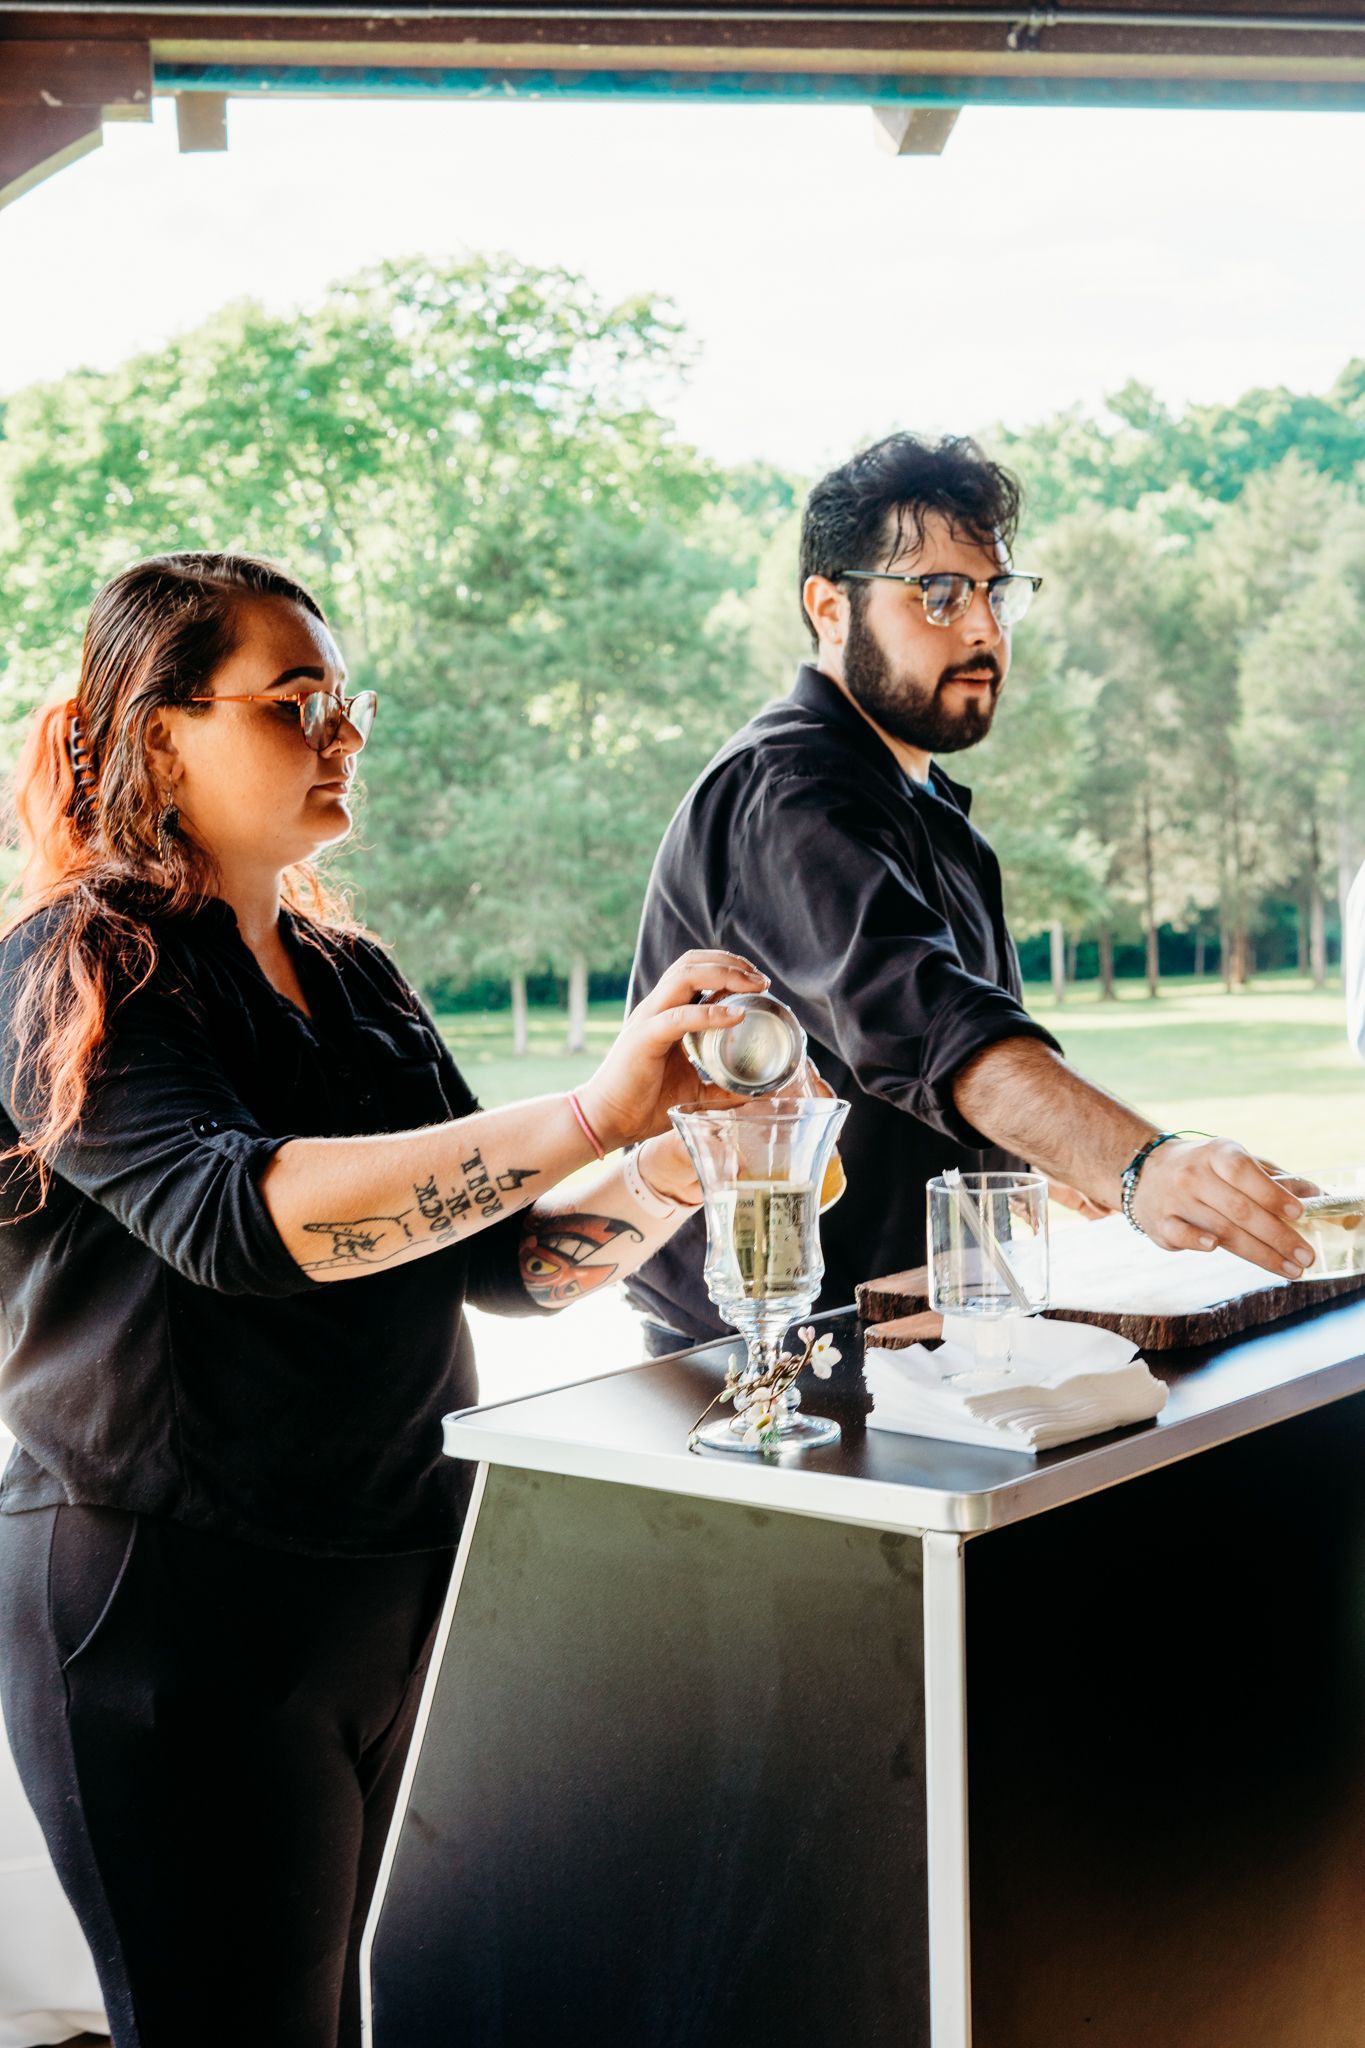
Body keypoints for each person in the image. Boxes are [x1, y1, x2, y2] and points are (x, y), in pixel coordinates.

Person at [0, 552, 768, 2048]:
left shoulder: (352, 977)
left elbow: (500, 1261)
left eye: (347, 699)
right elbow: (235, 1220)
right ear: (159, 732)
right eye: (295, 701)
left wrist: (690, 1157)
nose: (342, 731)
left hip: (382, 1580)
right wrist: (590, 1111)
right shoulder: (70, 969)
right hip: (167, 1607)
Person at [627, 432, 1313, 1349]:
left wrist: (1076, 1158)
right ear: (830, 608)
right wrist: (1141, 1166)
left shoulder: (933, 810)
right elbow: (935, 1030)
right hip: (762, 1359)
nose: (984, 628)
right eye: (939, 593)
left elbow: (919, 1072)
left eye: (998, 592)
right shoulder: (788, 790)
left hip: (924, 1331)